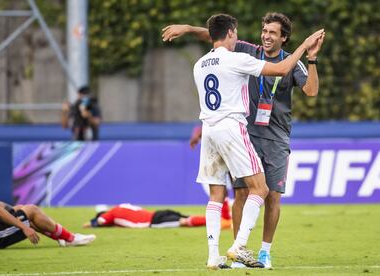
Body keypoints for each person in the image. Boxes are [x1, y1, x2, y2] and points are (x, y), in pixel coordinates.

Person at [162, 12, 324, 269]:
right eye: (264, 30)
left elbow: (311, 91)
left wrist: (310, 58)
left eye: (272, 32)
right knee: (251, 191)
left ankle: (240, 254)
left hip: (262, 134)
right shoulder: (245, 55)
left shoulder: (201, 63)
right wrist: (305, 46)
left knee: (258, 195)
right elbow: (277, 67)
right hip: (240, 131)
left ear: (283, 37)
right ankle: (239, 248)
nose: (266, 35)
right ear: (230, 35)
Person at [0, 151, 96, 250]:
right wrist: (24, 227)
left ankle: (63, 238)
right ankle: (70, 238)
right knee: (31, 211)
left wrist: (14, 210)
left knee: (21, 209)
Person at [83, 203, 231, 229]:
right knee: (186, 217)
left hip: (154, 221)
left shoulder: (110, 214)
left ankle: (220, 222)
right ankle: (220, 219)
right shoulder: (121, 206)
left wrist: (91, 223)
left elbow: (100, 221)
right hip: (157, 212)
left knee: (184, 221)